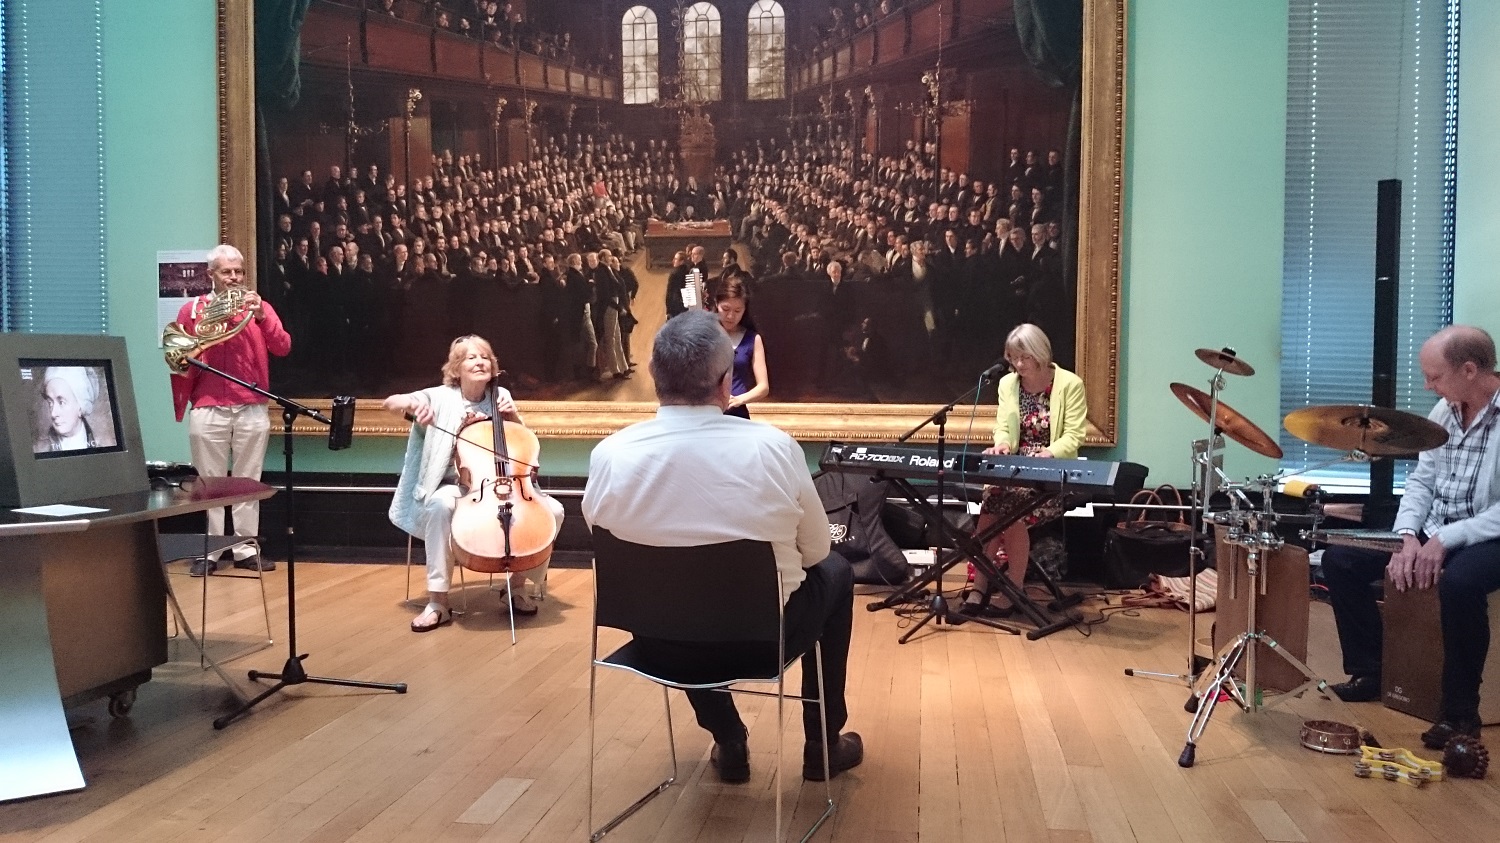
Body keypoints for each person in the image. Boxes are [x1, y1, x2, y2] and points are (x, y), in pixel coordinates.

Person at [582, 310, 863, 784]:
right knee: (836, 572)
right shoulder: (773, 449)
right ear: (726, 381)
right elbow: (816, 552)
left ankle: (729, 739)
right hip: (761, 644)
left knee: (679, 599)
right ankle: (822, 743)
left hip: (658, 645)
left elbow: (604, 537)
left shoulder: (609, 455)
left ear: (652, 374)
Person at [1323, 325, 1500, 749]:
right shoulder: (1444, 410)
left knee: (1459, 584)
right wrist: (1407, 537)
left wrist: (1446, 539)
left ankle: (1460, 715)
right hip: (1438, 525)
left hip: (1488, 533)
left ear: (1470, 370)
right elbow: (1422, 481)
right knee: (1340, 561)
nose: (1427, 386)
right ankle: (1371, 671)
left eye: (1434, 377)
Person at [383, 335, 565, 632]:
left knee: (553, 511)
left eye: (484, 357)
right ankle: (438, 602)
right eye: (471, 357)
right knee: (439, 505)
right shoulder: (440, 396)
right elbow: (393, 402)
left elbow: (521, 445)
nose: (480, 362)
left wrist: (512, 415)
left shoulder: (500, 395)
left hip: (500, 483)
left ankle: (516, 587)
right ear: (456, 368)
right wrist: (412, 405)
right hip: (454, 483)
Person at [171, 244, 292, 575]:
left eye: (239, 271)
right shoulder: (192, 310)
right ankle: (211, 550)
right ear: (211, 274)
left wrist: (262, 316)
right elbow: (179, 358)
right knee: (209, 484)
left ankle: (245, 548)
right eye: (227, 272)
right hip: (208, 405)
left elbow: (282, 346)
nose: (234, 277)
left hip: (251, 404)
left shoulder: (258, 307)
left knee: (247, 481)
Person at [958, 323, 1087, 618]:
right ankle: (979, 587)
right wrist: (1002, 445)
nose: (1018, 364)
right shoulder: (1008, 384)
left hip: (1051, 472)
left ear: (1040, 353)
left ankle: (1013, 590)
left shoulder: (1070, 384)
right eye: (1013, 357)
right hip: (1014, 468)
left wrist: (1049, 452)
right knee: (991, 507)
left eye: (1024, 357)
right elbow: (1003, 426)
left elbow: (1074, 435)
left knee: (1012, 512)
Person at [713, 277, 769, 418]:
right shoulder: (706, 335)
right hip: (708, 413)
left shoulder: (753, 339)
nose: (731, 316)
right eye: (725, 309)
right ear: (716, 303)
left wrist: (739, 400)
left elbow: (763, 387)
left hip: (737, 414)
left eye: (738, 311)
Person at [35, 366, 115, 451]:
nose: (53, 414)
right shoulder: (39, 449)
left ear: (81, 406)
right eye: (50, 403)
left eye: (61, 402)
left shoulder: (104, 444)